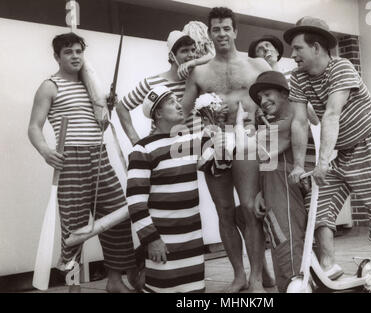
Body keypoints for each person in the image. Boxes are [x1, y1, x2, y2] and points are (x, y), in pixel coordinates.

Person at [182, 7, 307, 293]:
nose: (222, 33)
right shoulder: (200, 71)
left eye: (227, 28)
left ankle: (256, 278)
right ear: (209, 34)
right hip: (215, 143)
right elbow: (184, 110)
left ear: (235, 31)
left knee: (250, 209)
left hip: (249, 142)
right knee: (224, 211)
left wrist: (280, 130)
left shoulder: (258, 66)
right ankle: (239, 275)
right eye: (216, 29)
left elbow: (281, 94)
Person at [284, 16, 371, 292]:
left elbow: (332, 114)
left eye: (297, 48)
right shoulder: (298, 78)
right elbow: (299, 122)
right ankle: (328, 265)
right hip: (345, 151)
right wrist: (299, 165)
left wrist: (323, 161)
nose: (292, 54)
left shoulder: (342, 68)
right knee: (318, 201)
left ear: (316, 47)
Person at [28, 32, 138, 293]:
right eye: (68, 52)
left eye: (79, 51)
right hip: (71, 160)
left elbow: (101, 125)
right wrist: (45, 151)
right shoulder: (50, 86)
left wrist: (106, 108)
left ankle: (114, 281)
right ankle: (73, 289)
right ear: (57, 56)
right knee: (74, 231)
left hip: (99, 155)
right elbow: (34, 126)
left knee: (117, 218)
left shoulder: (92, 85)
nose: (75, 56)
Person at [126, 85, 229, 293]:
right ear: (158, 113)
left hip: (191, 241)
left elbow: (219, 168)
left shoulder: (190, 141)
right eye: (171, 103)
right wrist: (151, 239)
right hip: (162, 241)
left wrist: (217, 138)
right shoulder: (143, 149)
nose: (179, 105)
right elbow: (135, 202)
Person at [248, 71, 312, 292]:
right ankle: (295, 285)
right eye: (260, 99)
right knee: (279, 238)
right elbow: (265, 160)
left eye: (268, 94)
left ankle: (296, 286)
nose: (263, 101)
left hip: (288, 185)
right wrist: (259, 191)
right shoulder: (275, 124)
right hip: (273, 185)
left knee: (287, 239)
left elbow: (263, 148)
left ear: (285, 93)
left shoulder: (295, 116)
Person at [116, 30, 199, 144]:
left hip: (192, 148)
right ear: (172, 55)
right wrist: (136, 141)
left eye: (193, 50)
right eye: (184, 51)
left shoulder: (197, 81)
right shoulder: (152, 83)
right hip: (162, 149)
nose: (191, 55)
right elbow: (122, 107)